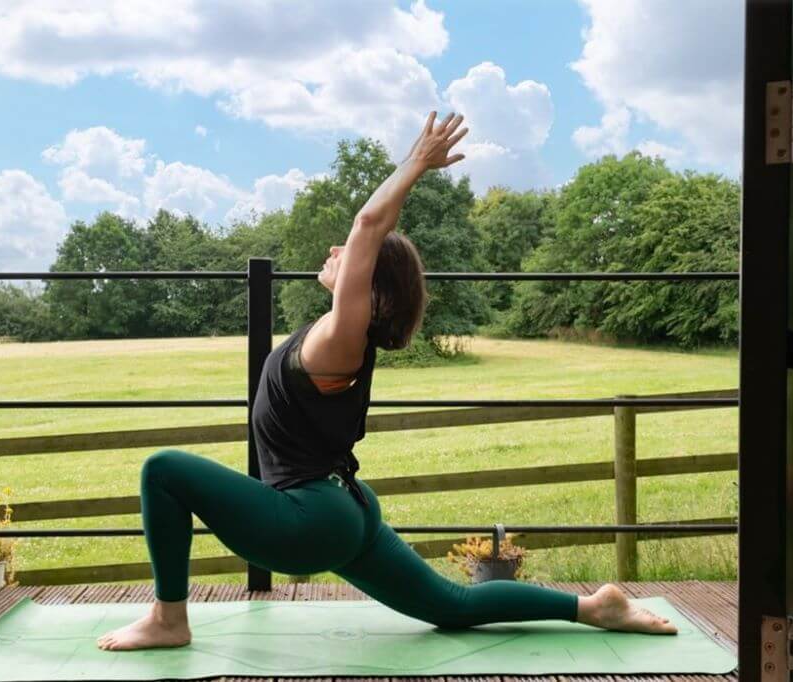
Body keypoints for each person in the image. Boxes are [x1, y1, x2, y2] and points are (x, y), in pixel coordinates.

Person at [97, 111, 677, 651]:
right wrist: (343, 282)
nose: (339, 254)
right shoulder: (344, 338)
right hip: (345, 509)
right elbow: (354, 274)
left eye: (350, 258)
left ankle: (169, 619)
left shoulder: (341, 340)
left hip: (306, 519)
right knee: (451, 605)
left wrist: (416, 162)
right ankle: (594, 607)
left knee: (162, 469)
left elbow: (369, 222)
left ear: (367, 287)